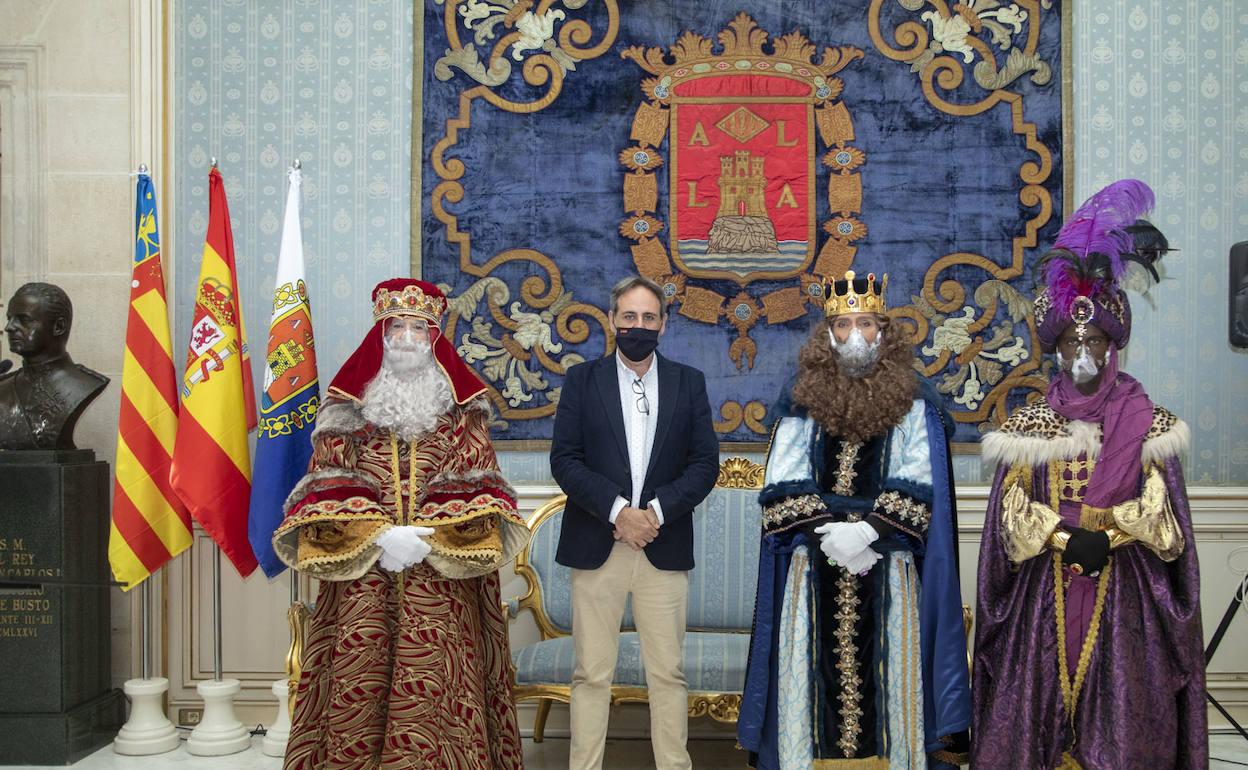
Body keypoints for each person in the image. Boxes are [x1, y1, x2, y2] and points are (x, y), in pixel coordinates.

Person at [973, 180, 1207, 768]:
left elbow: (1166, 520)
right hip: (1043, 591)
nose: (1083, 352)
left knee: (1124, 718)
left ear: (1112, 346)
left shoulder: (1150, 423)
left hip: (1125, 589)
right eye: (1073, 340)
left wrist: (1107, 535)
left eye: (1095, 339)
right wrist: (1063, 536)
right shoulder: (1028, 425)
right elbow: (1010, 519)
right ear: (1055, 348)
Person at [272, 278, 530, 770]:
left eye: (419, 327)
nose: (408, 338)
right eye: (398, 327)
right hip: (361, 580)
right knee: (357, 680)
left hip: (443, 581)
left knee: (439, 686)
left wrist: (428, 538)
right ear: (381, 335)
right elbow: (324, 487)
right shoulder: (343, 411)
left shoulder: (463, 412)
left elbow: (480, 492)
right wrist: (379, 536)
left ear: (434, 339)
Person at [738, 270, 972, 769]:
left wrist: (867, 531)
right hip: (814, 558)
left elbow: (920, 478)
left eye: (866, 323)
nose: (856, 335)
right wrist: (830, 534)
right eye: (844, 326)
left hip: (887, 564)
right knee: (810, 674)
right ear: (828, 335)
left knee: (889, 676)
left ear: (884, 330)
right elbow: (783, 477)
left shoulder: (913, 398)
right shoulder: (802, 396)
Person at [549, 275, 718, 770]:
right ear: (612, 321)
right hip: (597, 542)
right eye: (629, 317)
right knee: (591, 675)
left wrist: (655, 514)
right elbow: (566, 460)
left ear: (663, 324)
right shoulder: (583, 380)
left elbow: (705, 464)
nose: (638, 326)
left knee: (667, 674)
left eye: (648, 318)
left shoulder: (690, 382)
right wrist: (618, 511)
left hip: (662, 546)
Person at [0, 282, 108, 450]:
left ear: (59, 327)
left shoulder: (83, 385)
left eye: (24, 319)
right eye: (10, 318)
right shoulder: (3, 387)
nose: (9, 327)